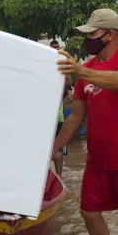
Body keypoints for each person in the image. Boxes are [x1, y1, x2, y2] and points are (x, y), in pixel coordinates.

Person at [52, 9, 118, 235]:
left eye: (92, 34)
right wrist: (55, 146)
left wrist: (81, 70)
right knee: (89, 212)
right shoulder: (89, 68)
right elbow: (75, 116)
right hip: (99, 157)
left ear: (110, 35)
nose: (87, 39)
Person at [49, 40, 71, 176]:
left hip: (58, 114)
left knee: (57, 147)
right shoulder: (46, 63)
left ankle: (59, 177)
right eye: (54, 48)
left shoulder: (63, 63)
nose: (56, 50)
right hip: (48, 114)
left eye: (58, 47)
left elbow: (68, 81)